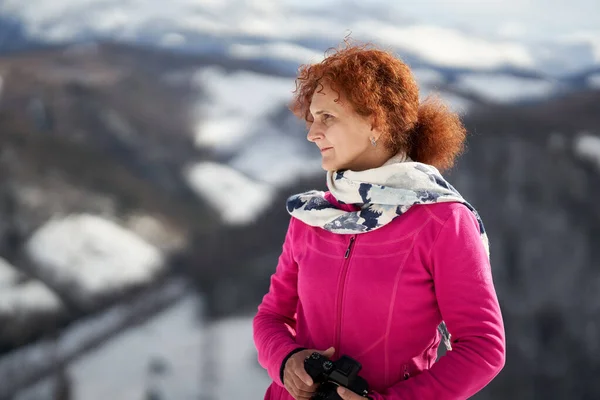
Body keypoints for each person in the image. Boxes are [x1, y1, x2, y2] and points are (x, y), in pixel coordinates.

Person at [253, 40, 505, 400]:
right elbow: (271, 318)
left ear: (374, 120)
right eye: (312, 118)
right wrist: (287, 359)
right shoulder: (313, 217)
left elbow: (483, 347)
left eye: (328, 117)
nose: (312, 133)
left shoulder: (442, 221)